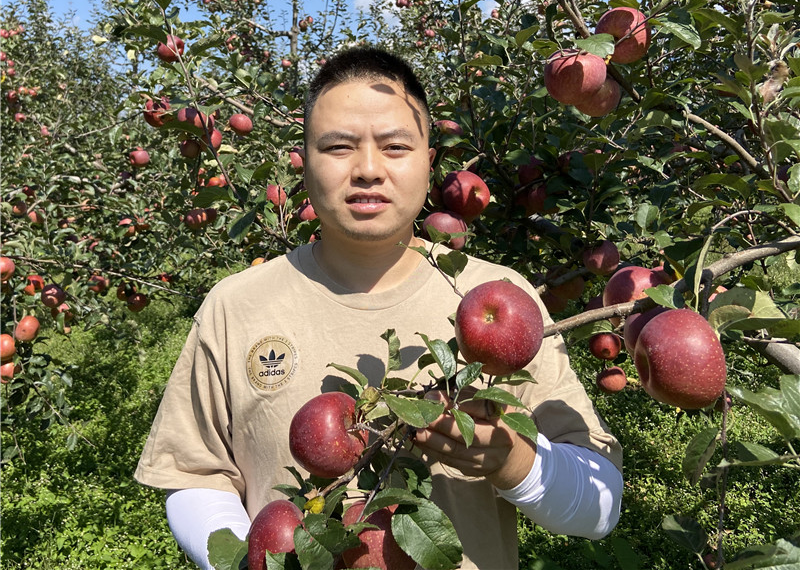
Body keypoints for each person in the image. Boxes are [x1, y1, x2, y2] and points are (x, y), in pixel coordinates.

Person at [135, 46, 623, 570]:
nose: (368, 169)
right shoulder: (235, 305)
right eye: (339, 147)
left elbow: (601, 508)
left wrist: (516, 463)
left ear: (429, 163)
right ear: (305, 164)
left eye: (395, 146)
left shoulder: (499, 296)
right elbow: (195, 477)